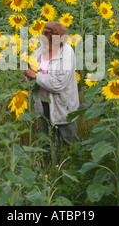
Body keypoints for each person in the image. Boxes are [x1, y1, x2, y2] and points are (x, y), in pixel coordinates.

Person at [22, 21, 80, 164]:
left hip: (62, 105)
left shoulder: (67, 52)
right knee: (49, 141)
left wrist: (35, 76)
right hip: (43, 102)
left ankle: (79, 169)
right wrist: (26, 73)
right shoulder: (42, 46)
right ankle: (53, 170)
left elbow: (58, 83)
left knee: (70, 140)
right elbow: (32, 65)